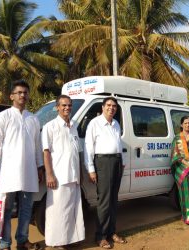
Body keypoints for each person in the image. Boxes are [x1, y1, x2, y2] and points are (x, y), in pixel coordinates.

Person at [0, 80, 43, 250]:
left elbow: (37, 147)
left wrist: (40, 167)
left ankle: (22, 240)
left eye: (25, 92)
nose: (22, 95)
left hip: (29, 173)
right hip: (8, 174)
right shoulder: (3, 117)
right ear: (11, 96)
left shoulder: (33, 118)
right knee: (6, 209)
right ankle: (5, 244)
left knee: (26, 209)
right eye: (19, 92)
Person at [42, 95, 85, 249]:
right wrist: (49, 174)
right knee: (58, 211)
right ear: (57, 107)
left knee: (73, 210)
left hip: (74, 176)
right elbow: (46, 152)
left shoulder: (74, 125)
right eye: (64, 105)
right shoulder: (50, 127)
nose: (67, 108)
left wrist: (80, 173)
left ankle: (71, 239)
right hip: (59, 176)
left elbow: (77, 151)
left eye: (69, 105)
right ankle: (57, 242)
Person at [84, 97, 127, 249]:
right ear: (102, 107)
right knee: (104, 201)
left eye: (114, 106)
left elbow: (119, 144)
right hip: (102, 163)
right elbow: (89, 147)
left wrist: (122, 161)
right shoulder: (94, 123)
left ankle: (111, 232)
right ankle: (100, 236)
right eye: (108, 105)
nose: (111, 108)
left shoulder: (116, 124)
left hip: (116, 162)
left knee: (114, 200)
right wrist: (91, 169)